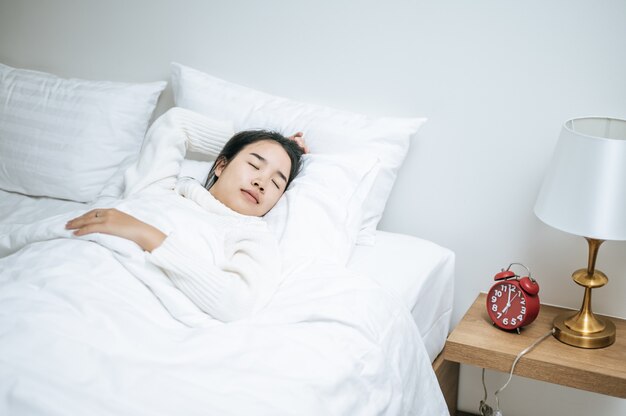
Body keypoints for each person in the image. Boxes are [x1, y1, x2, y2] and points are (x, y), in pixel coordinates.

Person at [64, 108, 307, 322]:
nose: (261, 182)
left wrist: (146, 235)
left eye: (276, 183)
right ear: (221, 166)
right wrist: (259, 142)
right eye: (254, 165)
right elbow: (176, 122)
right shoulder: (159, 187)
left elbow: (236, 303)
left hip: (128, 306)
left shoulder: (253, 236)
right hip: (72, 267)